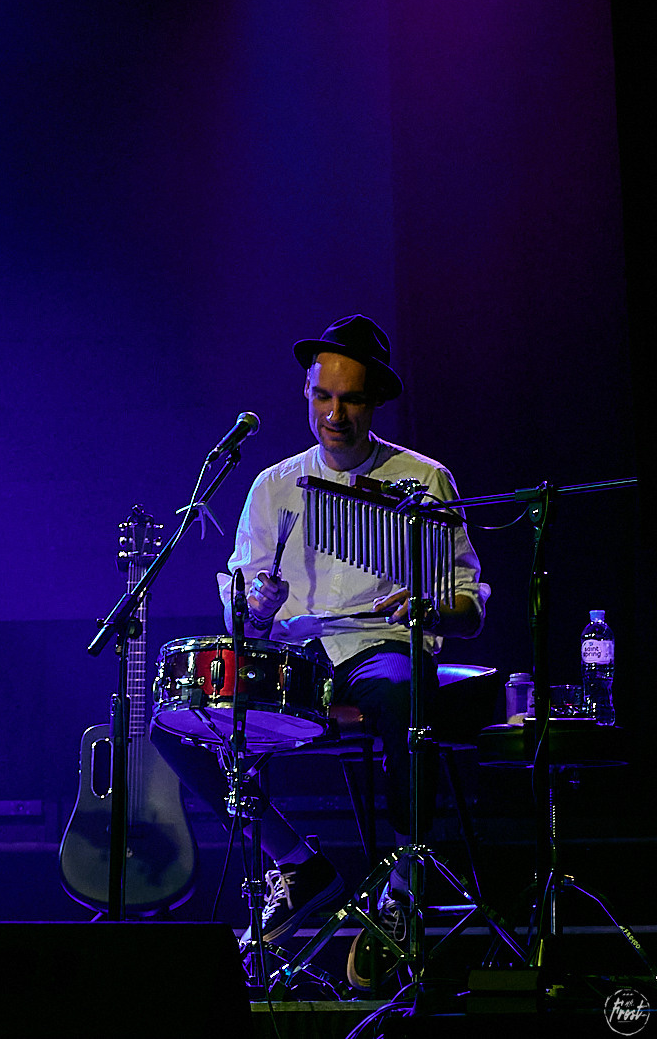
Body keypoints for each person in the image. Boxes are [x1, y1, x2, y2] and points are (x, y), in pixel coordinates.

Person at [149, 314, 487, 988]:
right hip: (298, 659)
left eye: (352, 399)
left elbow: (470, 603)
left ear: (375, 401)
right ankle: (297, 862)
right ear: (306, 395)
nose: (335, 414)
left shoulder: (422, 480)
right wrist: (251, 609)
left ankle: (405, 879)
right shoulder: (273, 485)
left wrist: (428, 607)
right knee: (176, 719)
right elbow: (239, 602)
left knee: (398, 688)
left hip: (377, 649)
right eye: (321, 397)